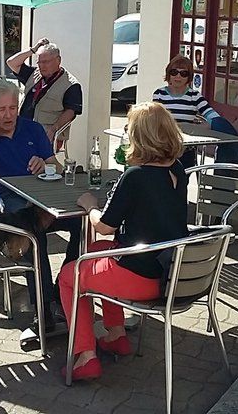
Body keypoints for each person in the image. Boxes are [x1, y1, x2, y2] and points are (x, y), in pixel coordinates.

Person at [59, 102, 190, 381]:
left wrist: (90, 206)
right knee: (94, 250)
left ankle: (85, 356)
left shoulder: (136, 176)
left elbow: (105, 227)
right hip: (172, 271)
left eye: (129, 130)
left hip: (143, 278)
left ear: (140, 136)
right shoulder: (177, 168)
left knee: (69, 276)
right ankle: (116, 334)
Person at [0, 79, 76, 340]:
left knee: (81, 223)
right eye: (1, 110)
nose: (8, 115)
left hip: (42, 204)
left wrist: (45, 164)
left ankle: (64, 287)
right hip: (10, 211)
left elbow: (56, 168)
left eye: (13, 108)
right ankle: (43, 309)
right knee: (34, 234)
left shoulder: (33, 129)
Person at [6, 38, 82, 145]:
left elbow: (70, 111)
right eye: (39, 62)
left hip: (45, 134)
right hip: (22, 129)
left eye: (45, 62)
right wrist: (33, 49)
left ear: (58, 60)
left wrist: (54, 129)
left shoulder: (70, 84)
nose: (42, 66)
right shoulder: (34, 74)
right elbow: (11, 63)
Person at [152, 55, 221, 169]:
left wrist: (206, 126)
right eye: (174, 72)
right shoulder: (159, 94)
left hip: (186, 147)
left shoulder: (194, 96)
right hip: (164, 145)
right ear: (168, 74)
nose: (178, 76)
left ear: (189, 77)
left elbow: (213, 116)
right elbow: (154, 118)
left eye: (183, 73)